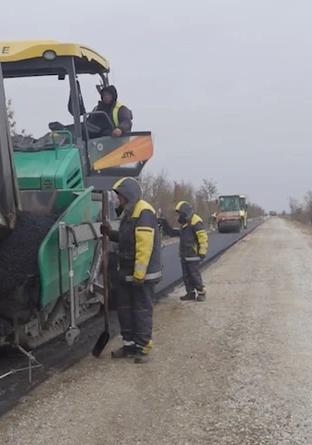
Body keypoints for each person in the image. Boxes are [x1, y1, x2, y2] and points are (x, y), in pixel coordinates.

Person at [100, 177, 162, 363]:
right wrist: (111, 234)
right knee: (125, 310)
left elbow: (144, 246)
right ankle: (129, 345)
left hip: (141, 276)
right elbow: (129, 240)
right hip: (127, 273)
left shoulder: (143, 212)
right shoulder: (130, 213)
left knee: (141, 310)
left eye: (119, 196)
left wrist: (139, 274)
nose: (117, 199)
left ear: (128, 195)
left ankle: (142, 348)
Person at [159, 201, 209, 302]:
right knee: (186, 275)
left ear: (185, 212)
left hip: (193, 254)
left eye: (180, 214)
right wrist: (163, 222)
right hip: (185, 255)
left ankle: (201, 292)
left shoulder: (195, 221)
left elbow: (202, 237)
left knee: (194, 274)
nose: (179, 217)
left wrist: (202, 251)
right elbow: (175, 233)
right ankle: (190, 293)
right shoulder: (185, 224)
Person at [68, 84, 133, 138]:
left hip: (111, 139)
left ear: (113, 96)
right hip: (94, 138)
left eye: (108, 95)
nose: (106, 97)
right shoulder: (97, 109)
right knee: (77, 131)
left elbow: (127, 122)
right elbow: (89, 122)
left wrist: (120, 129)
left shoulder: (121, 109)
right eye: (104, 95)